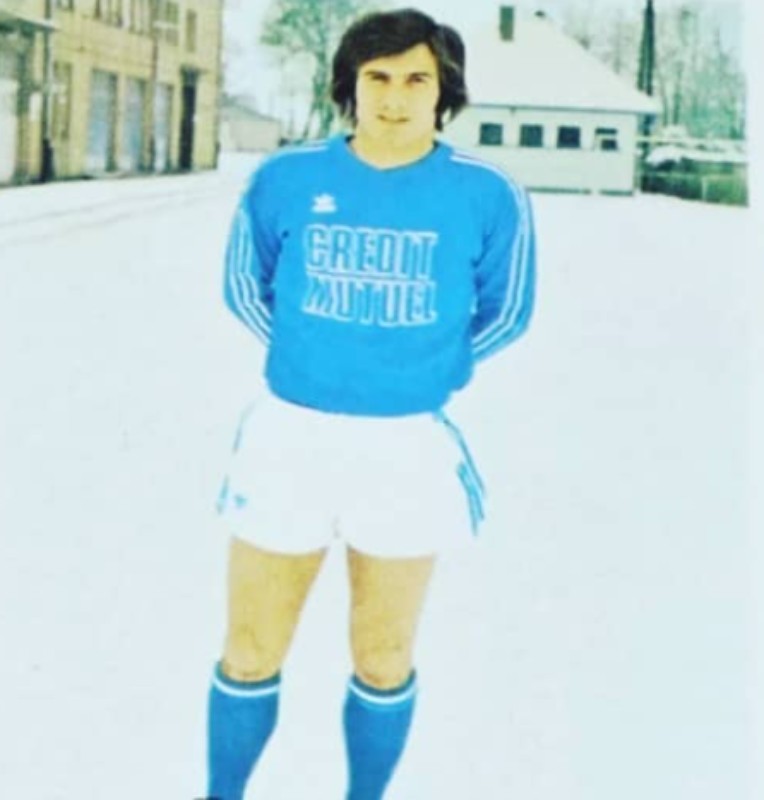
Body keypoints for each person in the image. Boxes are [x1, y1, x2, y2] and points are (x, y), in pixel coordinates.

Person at [205, 8, 536, 799]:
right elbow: (245, 287)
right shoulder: (286, 178)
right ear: (349, 86)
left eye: (417, 78)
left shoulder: (488, 193)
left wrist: (423, 369)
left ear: (444, 91)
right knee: (250, 647)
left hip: (406, 449)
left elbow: (508, 310)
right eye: (377, 77)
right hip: (290, 439)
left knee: (383, 655)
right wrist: (316, 359)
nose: (394, 96)